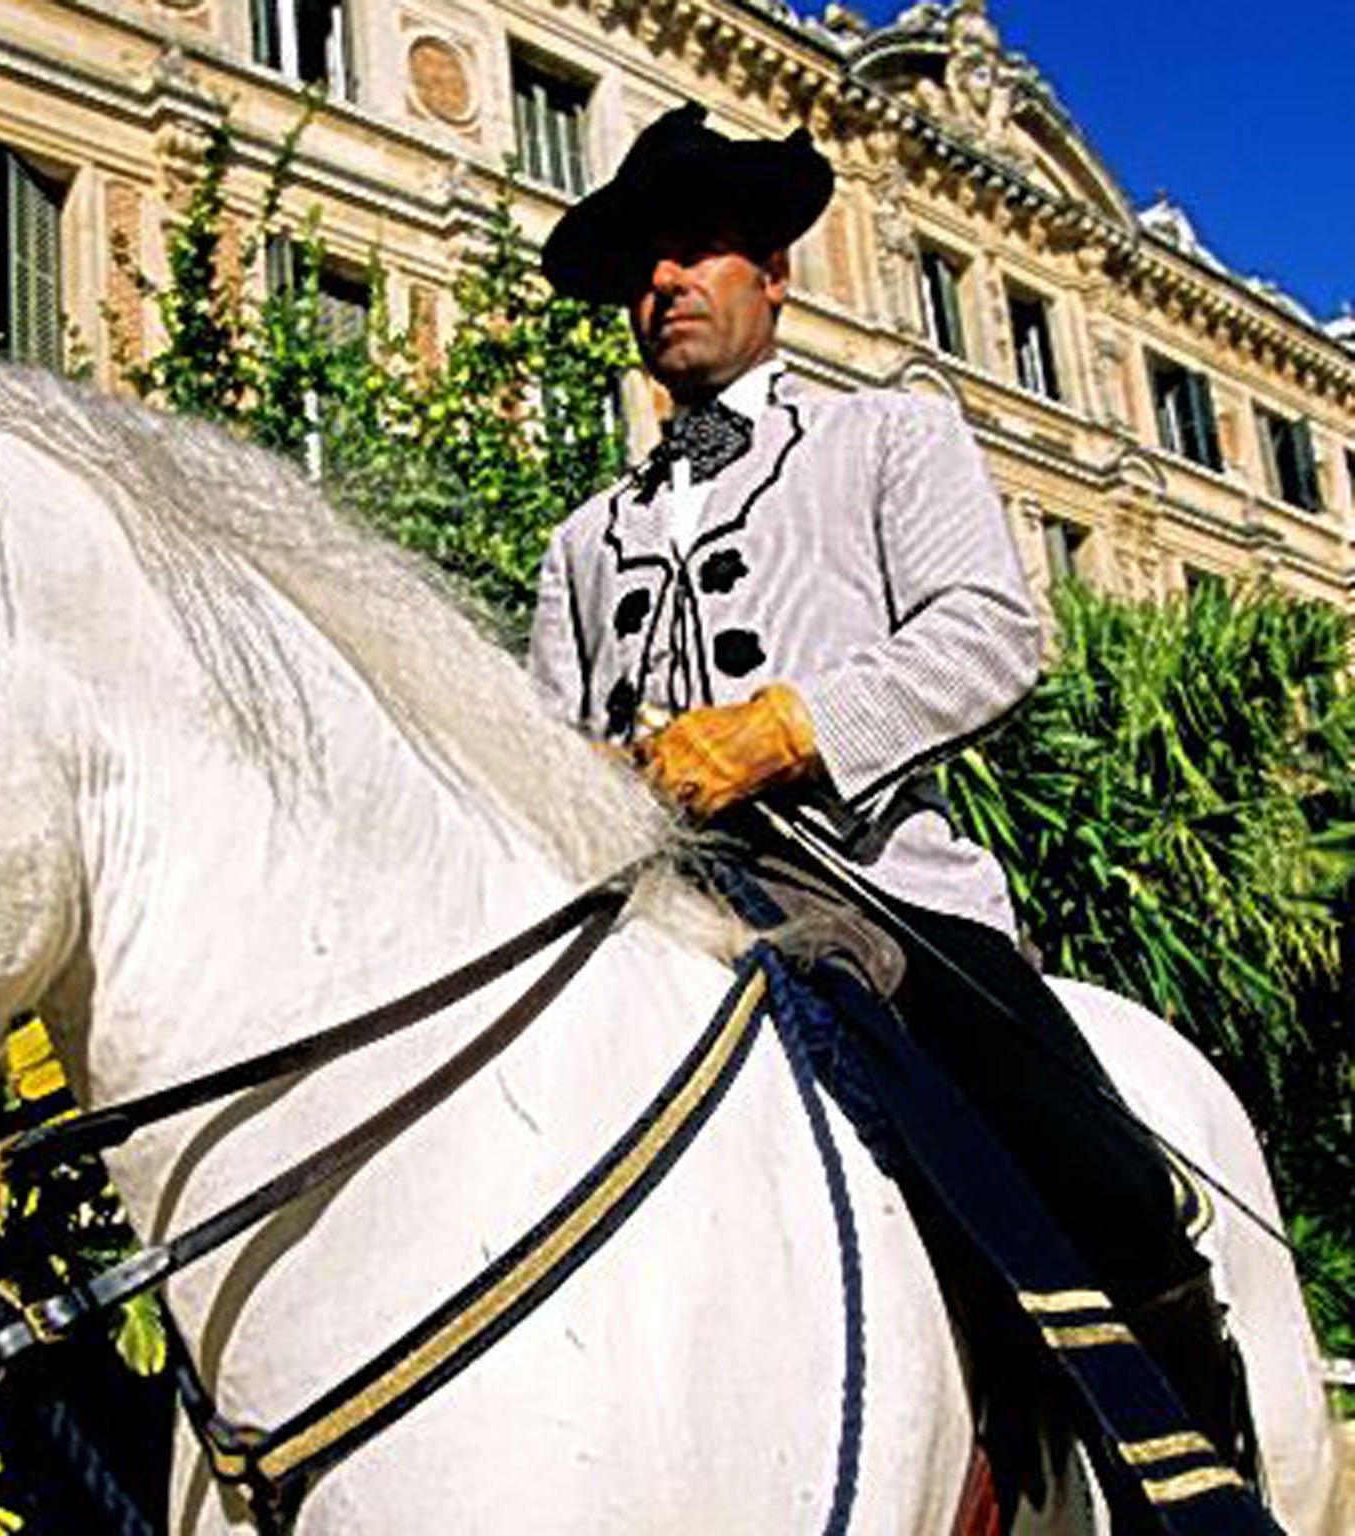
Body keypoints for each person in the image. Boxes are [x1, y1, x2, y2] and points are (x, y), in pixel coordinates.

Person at [527, 102, 1249, 1502]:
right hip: (652, 908)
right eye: (644, 267)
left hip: (876, 891)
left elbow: (988, 631)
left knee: (1096, 1170)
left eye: (696, 251)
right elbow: (554, 737)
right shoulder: (580, 537)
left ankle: (1204, 1482)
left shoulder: (889, 440)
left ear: (774, 276)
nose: (664, 283)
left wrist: (792, 726)